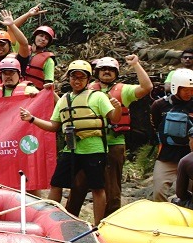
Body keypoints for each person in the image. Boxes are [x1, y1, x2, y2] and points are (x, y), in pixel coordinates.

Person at [20, 60, 122, 225]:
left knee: (97, 187)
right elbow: (54, 126)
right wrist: (32, 119)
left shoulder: (97, 96)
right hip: (71, 149)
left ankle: (98, 225)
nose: (77, 80)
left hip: (94, 149)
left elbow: (114, 118)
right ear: (69, 78)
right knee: (56, 184)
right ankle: (49, 221)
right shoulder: (64, 100)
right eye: (74, 77)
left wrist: (117, 107)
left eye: (82, 77)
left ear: (88, 80)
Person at [67, 55, 152, 218]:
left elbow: (147, 87)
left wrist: (135, 64)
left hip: (114, 143)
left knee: (112, 187)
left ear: (116, 73)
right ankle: (69, 219)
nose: (106, 72)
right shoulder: (87, 88)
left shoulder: (123, 90)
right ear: (96, 72)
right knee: (78, 183)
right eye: (103, 69)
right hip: (90, 143)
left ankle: (108, 223)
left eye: (111, 70)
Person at [152, 68, 193, 202]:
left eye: (192, 90)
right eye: (186, 89)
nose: (189, 93)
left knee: (189, 194)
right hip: (167, 155)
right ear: (176, 87)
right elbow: (156, 125)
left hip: (190, 155)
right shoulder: (159, 105)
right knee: (158, 192)